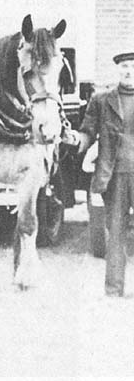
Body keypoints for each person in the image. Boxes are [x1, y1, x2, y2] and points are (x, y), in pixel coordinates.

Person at [64, 51, 134, 297]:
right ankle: (114, 289)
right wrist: (74, 139)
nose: (129, 71)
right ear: (118, 70)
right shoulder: (101, 100)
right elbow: (87, 132)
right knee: (116, 231)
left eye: (133, 67)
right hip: (114, 176)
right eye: (125, 66)